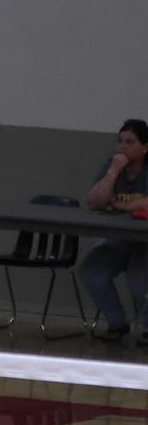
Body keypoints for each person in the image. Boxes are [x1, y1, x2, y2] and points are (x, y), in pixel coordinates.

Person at [80, 118, 148, 341]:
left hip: (144, 242)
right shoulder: (114, 166)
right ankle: (117, 323)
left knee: (139, 280)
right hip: (120, 240)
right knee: (93, 270)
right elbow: (95, 201)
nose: (122, 146)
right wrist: (113, 171)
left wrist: (119, 204)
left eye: (130, 142)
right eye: (120, 141)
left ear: (145, 147)